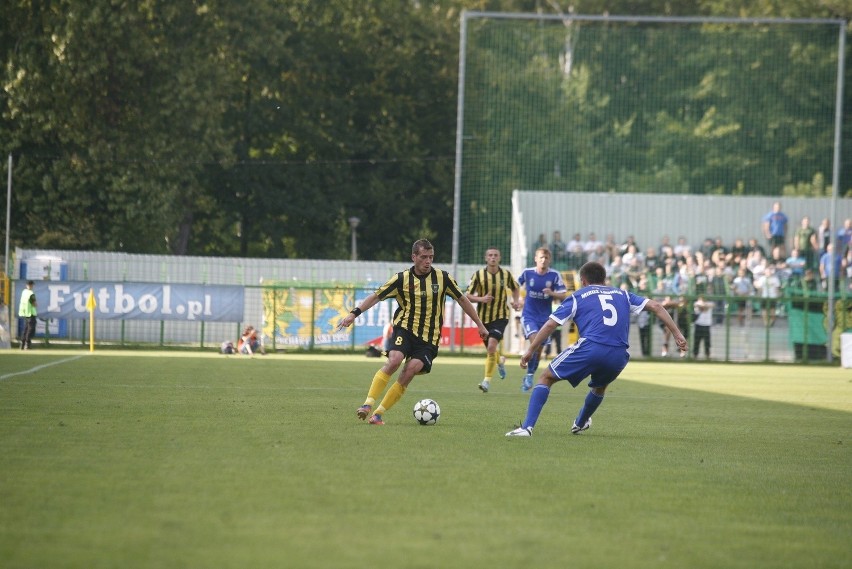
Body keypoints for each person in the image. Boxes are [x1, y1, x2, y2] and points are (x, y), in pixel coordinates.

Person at [505, 261, 687, 437]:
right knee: (600, 386)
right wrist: (677, 334)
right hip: (619, 354)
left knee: (546, 377)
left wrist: (530, 350)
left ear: (583, 281)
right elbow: (656, 306)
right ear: (604, 279)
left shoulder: (578, 296)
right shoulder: (623, 294)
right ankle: (580, 422)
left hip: (591, 347)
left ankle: (526, 428)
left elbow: (551, 325)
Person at [338, 239, 488, 425]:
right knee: (394, 360)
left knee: (408, 372)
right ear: (414, 257)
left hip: (429, 340)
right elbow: (376, 296)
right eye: (424, 257)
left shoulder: (443, 278)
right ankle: (368, 404)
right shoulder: (401, 279)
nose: (428, 261)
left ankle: (378, 414)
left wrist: (480, 324)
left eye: (431, 257)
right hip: (405, 330)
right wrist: (354, 313)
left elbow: (463, 300)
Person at [465, 247, 521, 394]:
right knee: (492, 350)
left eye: (496, 255)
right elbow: (467, 295)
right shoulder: (478, 275)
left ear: (499, 258)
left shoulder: (506, 274)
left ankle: (486, 381)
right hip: (482, 319)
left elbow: (516, 288)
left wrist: (516, 301)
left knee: (491, 347)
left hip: (501, 316)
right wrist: (481, 299)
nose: (493, 257)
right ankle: (500, 361)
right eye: (490, 255)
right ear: (486, 258)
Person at [517, 247, 568, 392]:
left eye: (546, 258)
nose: (543, 260)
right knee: (535, 340)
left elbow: (563, 294)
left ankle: (529, 375)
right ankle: (528, 369)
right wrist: (518, 300)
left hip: (545, 318)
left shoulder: (554, 275)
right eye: (541, 257)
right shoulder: (527, 273)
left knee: (538, 349)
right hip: (529, 315)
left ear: (549, 260)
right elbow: (515, 285)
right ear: (535, 259)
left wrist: (552, 293)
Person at [18, 280, 37, 350]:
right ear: (31, 285)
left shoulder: (24, 292)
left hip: (25, 313)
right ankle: (27, 344)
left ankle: (22, 344)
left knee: (26, 328)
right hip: (31, 313)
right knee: (31, 329)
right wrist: (36, 305)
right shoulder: (31, 293)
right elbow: (34, 303)